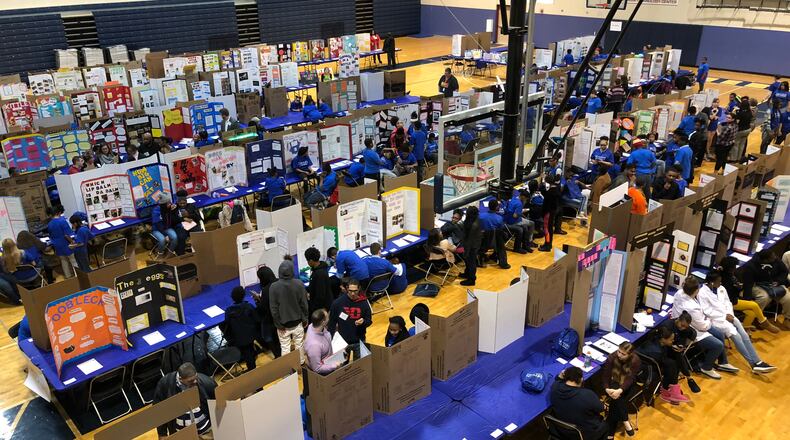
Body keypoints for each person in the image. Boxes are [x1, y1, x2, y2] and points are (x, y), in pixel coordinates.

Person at [698, 271, 777, 374]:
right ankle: (753, 364)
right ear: (711, 283)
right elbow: (707, 311)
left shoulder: (721, 289)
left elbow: (728, 303)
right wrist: (724, 316)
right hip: (716, 321)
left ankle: (758, 362)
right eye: (718, 282)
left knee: (744, 335)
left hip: (729, 316)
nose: (720, 283)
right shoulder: (702, 293)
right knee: (737, 337)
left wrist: (729, 314)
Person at [671, 276, 736, 379]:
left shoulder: (679, 293)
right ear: (696, 290)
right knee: (718, 345)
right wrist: (708, 320)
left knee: (720, 334)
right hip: (692, 331)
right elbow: (702, 326)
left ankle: (723, 362)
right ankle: (706, 367)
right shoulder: (692, 307)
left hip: (693, 324)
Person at [154, 362, 216, 438]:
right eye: (190, 381)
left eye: (195, 378)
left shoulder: (206, 382)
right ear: (180, 379)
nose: (195, 382)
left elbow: (218, 405)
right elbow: (159, 411)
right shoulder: (165, 384)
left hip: (205, 431)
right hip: (182, 434)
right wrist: (162, 434)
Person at [718, 256, 779, 332]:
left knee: (751, 313)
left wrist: (738, 286)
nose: (735, 268)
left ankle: (745, 331)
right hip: (730, 303)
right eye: (734, 266)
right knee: (754, 305)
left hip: (733, 299)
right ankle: (764, 322)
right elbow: (730, 295)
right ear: (730, 268)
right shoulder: (725, 279)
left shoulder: (726, 274)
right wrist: (738, 288)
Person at [549, 366, 608, 440]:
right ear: (581, 379)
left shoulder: (555, 387)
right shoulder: (587, 394)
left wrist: (560, 376)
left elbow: (557, 380)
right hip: (582, 434)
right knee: (605, 425)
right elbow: (601, 409)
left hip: (559, 429)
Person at [637, 325, 691, 405]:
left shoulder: (655, 340)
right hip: (647, 368)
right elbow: (661, 363)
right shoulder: (656, 352)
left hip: (651, 362)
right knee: (672, 365)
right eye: (671, 340)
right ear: (663, 339)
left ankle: (673, 389)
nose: (672, 341)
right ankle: (669, 390)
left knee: (675, 357)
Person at [739, 250, 790, 330]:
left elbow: (784, 271)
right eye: (772, 258)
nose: (775, 258)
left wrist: (778, 281)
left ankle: (787, 318)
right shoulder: (751, 266)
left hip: (774, 284)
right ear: (765, 260)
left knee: (788, 297)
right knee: (764, 297)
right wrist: (747, 301)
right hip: (757, 285)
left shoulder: (776, 260)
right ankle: (758, 318)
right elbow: (748, 284)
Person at [270, 260, 309, 363]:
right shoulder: (299, 283)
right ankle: (301, 363)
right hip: (298, 321)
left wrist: (278, 324)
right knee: (299, 345)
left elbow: (274, 309)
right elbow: (304, 304)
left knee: (285, 347)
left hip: (283, 324)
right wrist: (305, 318)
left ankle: (287, 369)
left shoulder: (273, 287)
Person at [601, 342, 640, 436]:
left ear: (630, 354)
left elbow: (630, 379)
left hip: (628, 386)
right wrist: (606, 388)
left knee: (616, 401)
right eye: (619, 351)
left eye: (623, 354)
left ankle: (610, 434)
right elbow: (606, 376)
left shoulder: (635, 360)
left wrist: (620, 390)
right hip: (613, 385)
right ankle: (625, 420)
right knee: (616, 395)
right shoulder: (612, 357)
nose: (619, 355)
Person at [327, 279, 372, 357]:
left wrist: (363, 322)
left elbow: (369, 321)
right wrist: (329, 341)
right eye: (350, 291)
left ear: (359, 289)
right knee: (342, 366)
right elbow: (331, 323)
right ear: (347, 288)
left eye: (355, 291)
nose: (353, 293)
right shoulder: (337, 303)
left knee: (361, 365)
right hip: (342, 342)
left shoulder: (364, 303)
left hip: (359, 341)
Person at [223, 286, 260, 371]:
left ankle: (251, 367)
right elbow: (257, 319)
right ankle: (252, 368)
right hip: (250, 335)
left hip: (238, 337)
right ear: (243, 295)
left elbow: (226, 324)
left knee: (247, 352)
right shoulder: (248, 306)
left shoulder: (229, 310)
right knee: (249, 352)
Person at [252, 266, 280, 357]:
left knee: (267, 335)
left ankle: (277, 354)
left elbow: (264, 308)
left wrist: (257, 300)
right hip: (281, 315)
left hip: (271, 319)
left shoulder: (266, 290)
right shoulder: (279, 282)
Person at [304, 309, 342, 374]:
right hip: (325, 372)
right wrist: (334, 365)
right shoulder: (314, 345)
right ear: (323, 322)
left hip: (330, 358)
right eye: (327, 317)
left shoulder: (312, 325)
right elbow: (317, 368)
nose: (329, 318)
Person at [47, 205, 77, 278]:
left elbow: (51, 236)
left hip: (57, 246)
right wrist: (72, 242)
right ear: (59, 212)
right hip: (66, 244)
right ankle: (78, 274)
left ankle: (68, 276)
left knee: (64, 261)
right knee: (73, 261)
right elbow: (67, 235)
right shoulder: (62, 221)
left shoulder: (49, 224)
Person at [478, 200, 510, 268]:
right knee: (501, 240)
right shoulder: (499, 218)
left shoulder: (480, 216)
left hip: (482, 241)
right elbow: (501, 229)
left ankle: (482, 258)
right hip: (494, 242)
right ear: (496, 207)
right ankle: (503, 263)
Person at [305, 247, 333, 315]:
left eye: (307, 260)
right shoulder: (318, 268)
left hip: (321, 308)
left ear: (311, 261)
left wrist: (314, 309)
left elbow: (320, 295)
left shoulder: (319, 274)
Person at [460, 206, 482, 286]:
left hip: (472, 246)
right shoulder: (474, 220)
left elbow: (470, 240)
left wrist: (466, 251)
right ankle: (467, 273)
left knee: (471, 262)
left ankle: (471, 279)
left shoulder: (473, 225)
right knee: (467, 261)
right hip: (472, 243)